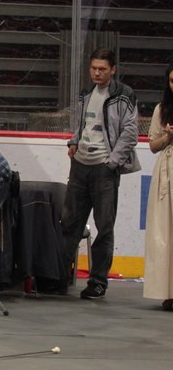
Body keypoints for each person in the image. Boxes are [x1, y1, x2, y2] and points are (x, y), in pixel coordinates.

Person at [61, 48, 139, 299]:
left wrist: (111, 162)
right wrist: (74, 141)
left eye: (102, 69)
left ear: (113, 70)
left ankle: (97, 282)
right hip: (80, 165)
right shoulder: (87, 92)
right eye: (93, 68)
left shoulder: (124, 94)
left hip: (104, 169)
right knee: (69, 223)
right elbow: (84, 123)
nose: (97, 73)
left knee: (104, 226)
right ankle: (59, 276)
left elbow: (130, 133)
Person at [145, 63, 173, 311]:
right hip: (167, 171)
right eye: (172, 81)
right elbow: (153, 146)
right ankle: (168, 292)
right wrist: (168, 136)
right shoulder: (161, 109)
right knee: (165, 232)